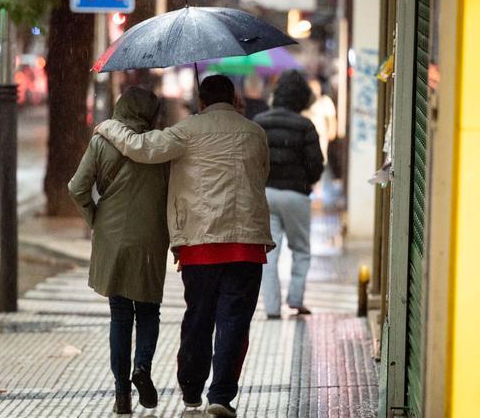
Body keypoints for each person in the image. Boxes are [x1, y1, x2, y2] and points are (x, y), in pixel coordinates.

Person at [96, 75, 274, 418]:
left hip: (200, 243)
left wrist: (109, 127)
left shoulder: (186, 131)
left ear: (201, 101)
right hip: (247, 245)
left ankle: (191, 391)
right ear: (235, 99)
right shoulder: (255, 133)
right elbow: (261, 173)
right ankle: (220, 396)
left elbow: (142, 148)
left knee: (199, 319)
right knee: (234, 322)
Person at [68, 87, 169, 415]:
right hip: (151, 236)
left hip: (112, 234)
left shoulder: (102, 142)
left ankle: (121, 393)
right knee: (149, 311)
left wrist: (94, 216)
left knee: (121, 315)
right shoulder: (160, 146)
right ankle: (143, 366)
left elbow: (77, 187)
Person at [253, 70, 324, 319]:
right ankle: (295, 299)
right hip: (295, 194)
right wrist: (306, 182)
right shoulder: (305, 126)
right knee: (301, 249)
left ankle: (272, 307)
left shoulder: (259, 121)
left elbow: (252, 159)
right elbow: (316, 164)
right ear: (301, 99)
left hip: (265, 192)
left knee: (269, 251)